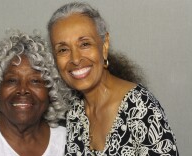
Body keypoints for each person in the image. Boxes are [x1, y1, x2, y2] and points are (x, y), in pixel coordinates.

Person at [47, 2, 179, 155]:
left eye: (84, 44)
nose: (75, 59)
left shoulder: (140, 108)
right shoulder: (73, 112)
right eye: (63, 49)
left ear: (104, 46)